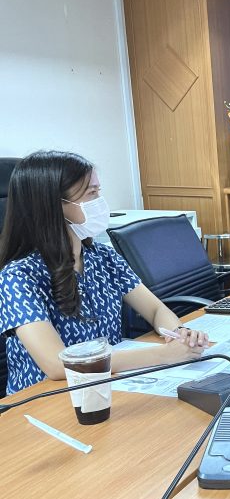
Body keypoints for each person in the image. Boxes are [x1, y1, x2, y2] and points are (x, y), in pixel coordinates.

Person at [0, 151, 209, 396]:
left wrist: (179, 335)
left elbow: (155, 310)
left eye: (98, 191)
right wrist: (164, 355)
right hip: (46, 399)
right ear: (54, 205)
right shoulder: (18, 276)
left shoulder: (102, 256)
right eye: (91, 194)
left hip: (105, 385)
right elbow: (57, 364)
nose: (100, 202)